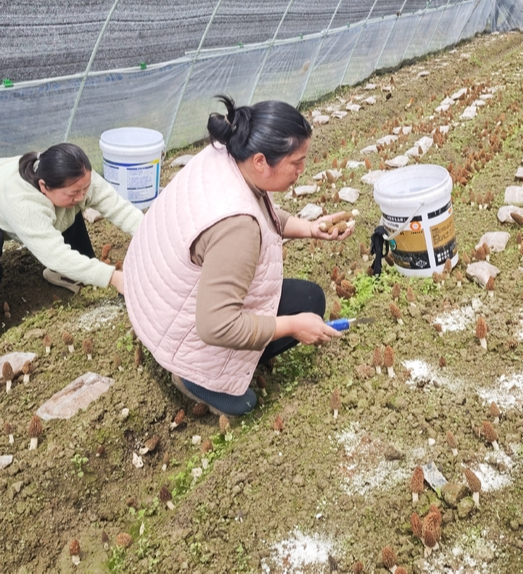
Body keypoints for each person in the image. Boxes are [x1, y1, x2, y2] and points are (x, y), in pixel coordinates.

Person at [123, 95, 354, 416]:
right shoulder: (238, 229)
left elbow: (262, 209)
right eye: (296, 162)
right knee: (249, 398)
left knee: (308, 298)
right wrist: (292, 326)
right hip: (182, 331)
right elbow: (215, 326)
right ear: (261, 161)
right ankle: (197, 378)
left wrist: (311, 228)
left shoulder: (227, 153)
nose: (302, 170)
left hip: (154, 298)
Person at [0, 143, 143, 355]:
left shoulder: (76, 176)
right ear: (44, 186)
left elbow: (118, 207)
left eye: (85, 188)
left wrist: (152, 234)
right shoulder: (23, 203)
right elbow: (55, 254)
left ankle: (68, 273)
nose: (83, 195)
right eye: (75, 191)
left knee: (67, 205)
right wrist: (114, 278)